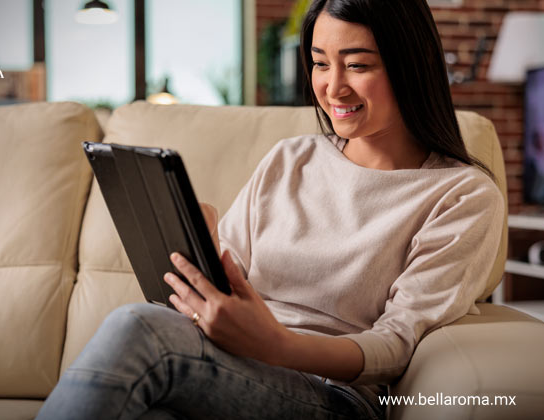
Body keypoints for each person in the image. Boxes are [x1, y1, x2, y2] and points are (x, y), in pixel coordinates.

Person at [36, 0, 504, 418]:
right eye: (320, 64)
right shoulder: (291, 158)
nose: (333, 87)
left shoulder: (461, 196)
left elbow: (396, 345)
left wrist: (279, 346)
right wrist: (203, 254)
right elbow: (233, 284)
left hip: (333, 394)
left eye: (357, 65)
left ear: (411, 65)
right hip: (234, 366)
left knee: (137, 328)